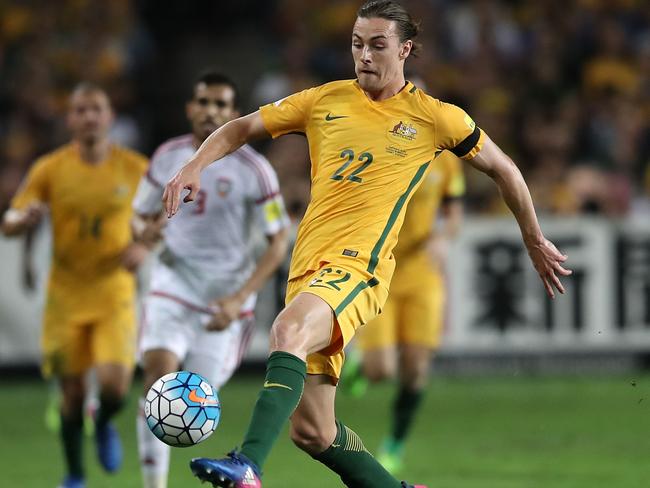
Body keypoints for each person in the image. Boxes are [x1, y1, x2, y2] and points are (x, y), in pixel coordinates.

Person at [162, 2, 571, 487]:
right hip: (307, 270)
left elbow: (504, 169)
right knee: (313, 430)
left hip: (359, 269)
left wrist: (532, 236)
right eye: (357, 44)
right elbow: (240, 127)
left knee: (288, 331)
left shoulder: (435, 118)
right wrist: (194, 166)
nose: (365, 56)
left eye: (378, 45)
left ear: (405, 49)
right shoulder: (323, 100)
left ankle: (247, 465)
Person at [132, 71, 290, 488]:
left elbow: (278, 243)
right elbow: (139, 215)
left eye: (221, 106)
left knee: (196, 401)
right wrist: (141, 233)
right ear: (190, 108)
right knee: (159, 387)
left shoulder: (255, 170)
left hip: (225, 301)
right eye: (204, 102)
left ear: (233, 114)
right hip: (173, 283)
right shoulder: (167, 156)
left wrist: (240, 298)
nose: (210, 112)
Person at [1, 83, 149, 488]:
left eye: (95, 109)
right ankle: (75, 474)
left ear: (109, 117)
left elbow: (160, 218)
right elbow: (9, 221)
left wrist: (143, 246)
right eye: (80, 110)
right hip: (66, 296)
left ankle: (103, 422)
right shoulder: (49, 168)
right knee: (69, 396)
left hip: (114, 291)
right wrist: (23, 220)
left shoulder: (134, 167)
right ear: (70, 120)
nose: (88, 117)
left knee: (115, 386)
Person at [342, 149, 465, 475]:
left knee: (416, 367)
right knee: (381, 369)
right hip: (381, 268)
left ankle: (394, 445)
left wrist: (442, 237)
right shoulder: (382, 149)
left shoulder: (446, 160)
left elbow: (453, 213)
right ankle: (359, 365)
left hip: (423, 272)